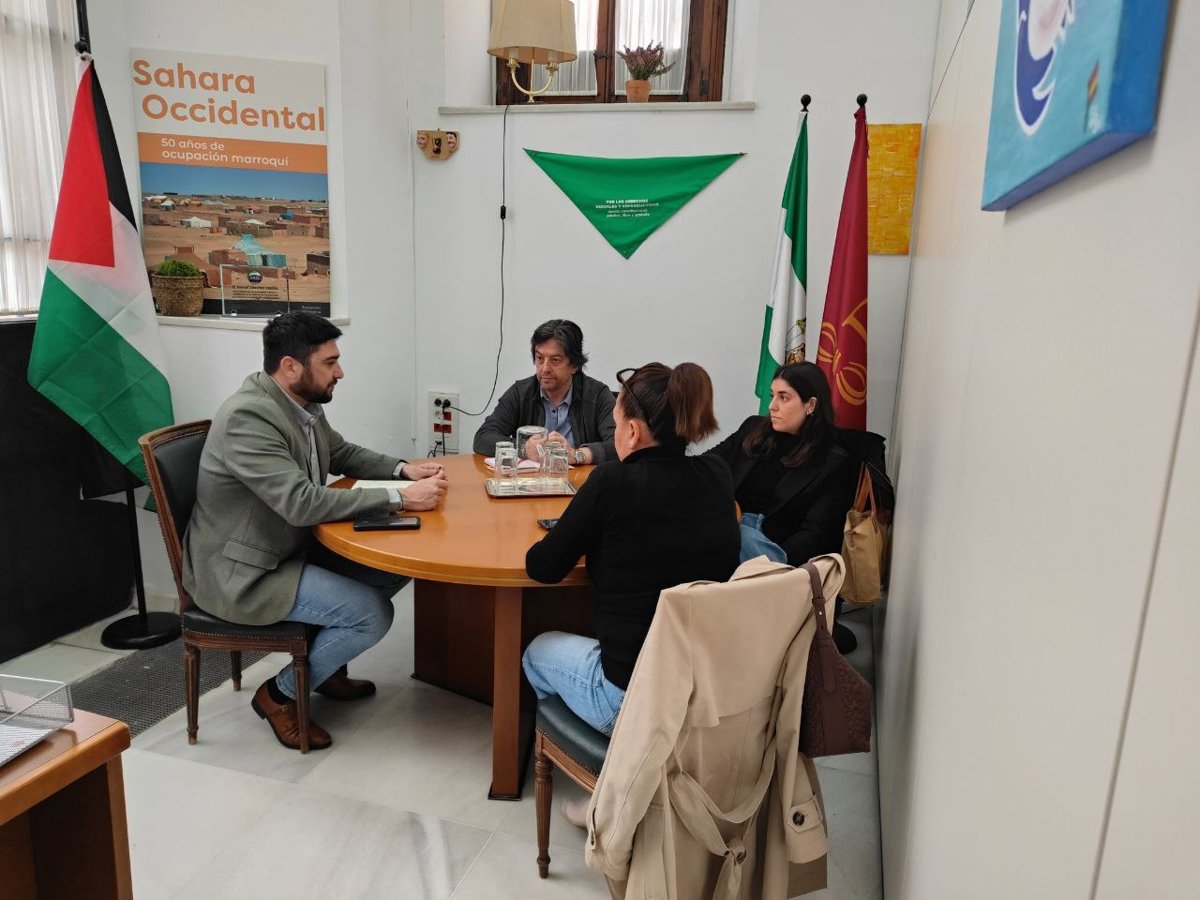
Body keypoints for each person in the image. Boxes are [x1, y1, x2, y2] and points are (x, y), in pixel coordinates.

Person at [182, 311, 448, 751]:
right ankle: (280, 694)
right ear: (290, 366)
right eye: (330, 362)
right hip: (244, 573)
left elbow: (339, 452)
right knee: (371, 614)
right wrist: (401, 498)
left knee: (397, 564)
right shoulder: (249, 417)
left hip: (286, 549)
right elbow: (301, 502)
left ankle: (323, 669)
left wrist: (403, 470)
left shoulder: (299, 403)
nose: (339, 372)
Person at [522, 361, 740, 741]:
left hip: (632, 698)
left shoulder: (612, 482)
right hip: (704, 694)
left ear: (634, 432)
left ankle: (607, 763)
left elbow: (544, 567)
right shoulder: (718, 474)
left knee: (536, 652)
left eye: (617, 424)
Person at [705, 361, 858, 567]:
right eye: (772, 395)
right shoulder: (752, 428)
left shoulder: (834, 462)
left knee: (740, 539)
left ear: (810, 405)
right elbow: (707, 466)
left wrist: (776, 567)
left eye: (783, 397)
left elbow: (815, 535)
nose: (772, 406)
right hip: (728, 526)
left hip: (774, 551)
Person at [472, 319, 616, 465]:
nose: (545, 368)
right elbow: (483, 438)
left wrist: (577, 455)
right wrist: (523, 448)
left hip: (581, 478)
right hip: (532, 478)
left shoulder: (597, 395)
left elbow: (620, 445)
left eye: (555, 360)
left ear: (574, 365)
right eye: (540, 358)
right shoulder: (520, 393)